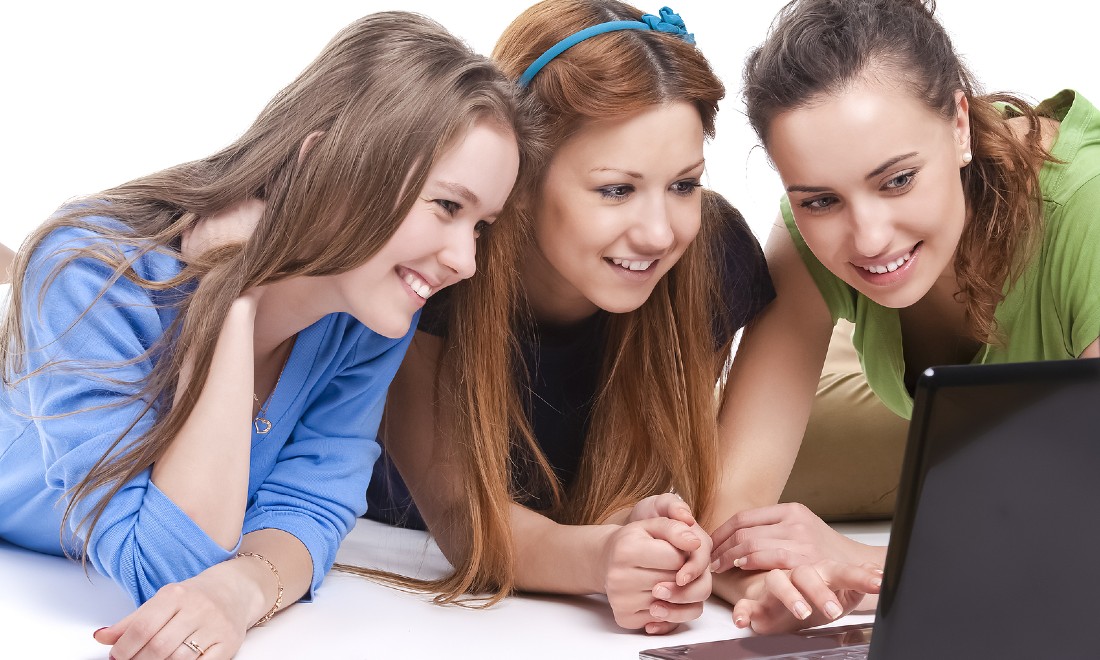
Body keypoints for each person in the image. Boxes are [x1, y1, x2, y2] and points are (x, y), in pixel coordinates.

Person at [0, 12, 528, 660]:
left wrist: (241, 591)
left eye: (481, 224)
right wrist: (230, 299)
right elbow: (165, 566)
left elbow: (312, 509)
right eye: (447, 206)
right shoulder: (92, 271)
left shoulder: (367, 318)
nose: (466, 261)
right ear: (326, 166)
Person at [352, 0, 775, 636]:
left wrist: (670, 550)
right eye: (616, 189)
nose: (659, 233)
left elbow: (679, 470)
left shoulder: (710, 259)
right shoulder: (439, 267)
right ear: (520, 176)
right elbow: (465, 517)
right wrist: (602, 557)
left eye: (684, 184)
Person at [705, 0, 1100, 634]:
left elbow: (1079, 547)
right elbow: (728, 515)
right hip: (944, 440)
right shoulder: (810, 241)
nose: (867, 238)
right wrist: (784, 584)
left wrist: (865, 566)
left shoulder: (1089, 208)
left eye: (897, 181)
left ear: (959, 125)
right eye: (821, 200)